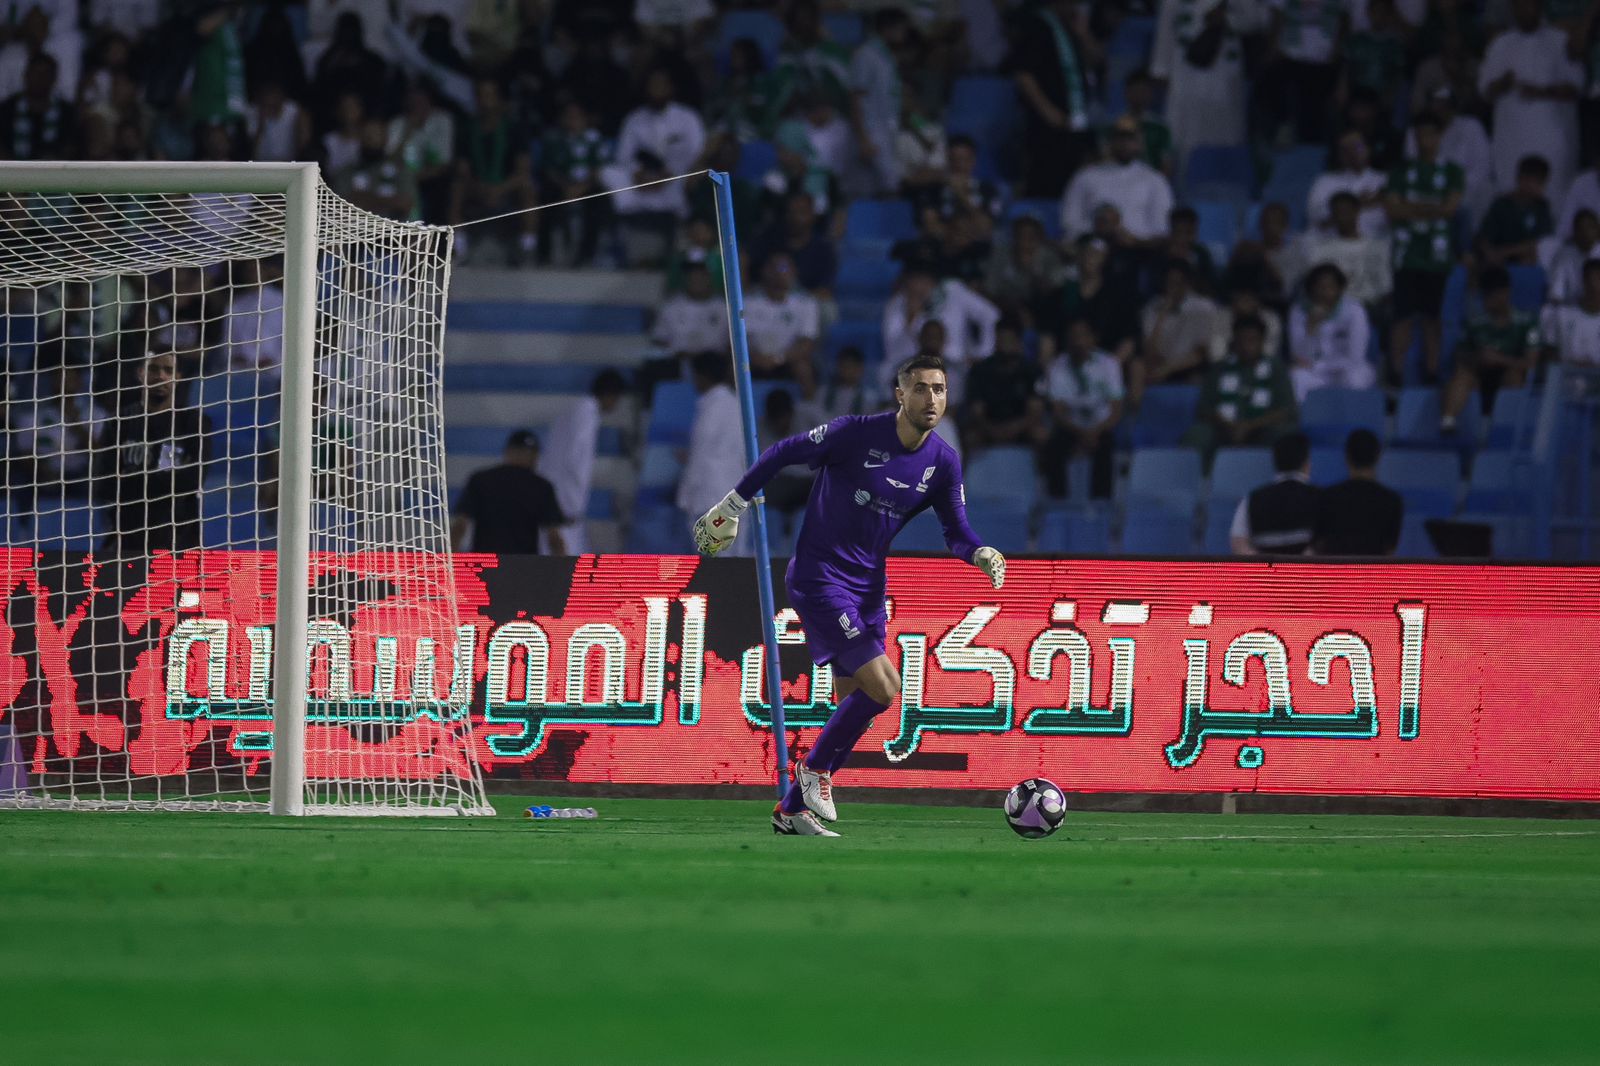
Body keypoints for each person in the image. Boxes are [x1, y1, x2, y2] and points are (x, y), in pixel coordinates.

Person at [690, 354, 1006, 836]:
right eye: (920, 388)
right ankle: (814, 770)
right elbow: (783, 452)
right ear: (900, 394)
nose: (931, 398)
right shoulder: (855, 433)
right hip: (819, 577)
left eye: (939, 389)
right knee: (886, 688)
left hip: (869, 588)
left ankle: (791, 811)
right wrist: (732, 505)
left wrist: (979, 551)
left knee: (855, 702)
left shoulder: (943, 462)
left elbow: (956, 530)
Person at [103, 350, 212, 560]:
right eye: (153, 369)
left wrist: (134, 477)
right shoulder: (119, 422)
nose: (161, 376)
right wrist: (168, 478)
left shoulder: (194, 423)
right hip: (129, 539)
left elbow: (194, 479)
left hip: (179, 541)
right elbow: (106, 484)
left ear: (177, 377)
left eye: (168, 370)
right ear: (141, 373)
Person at [1386, 112, 1464, 385]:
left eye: (1430, 134)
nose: (1424, 140)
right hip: (1406, 255)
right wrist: (1433, 208)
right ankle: (1395, 374)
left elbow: (1450, 209)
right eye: (1419, 135)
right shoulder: (1400, 170)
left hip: (1436, 257)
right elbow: (1393, 210)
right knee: (1402, 316)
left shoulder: (1452, 171)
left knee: (1432, 317)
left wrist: (1411, 208)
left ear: (1439, 137)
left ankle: (1431, 373)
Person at [1479, 0, 1582, 206]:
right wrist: (1503, 84)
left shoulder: (1560, 41)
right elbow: (1484, 91)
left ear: (1540, 7)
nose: (1524, 10)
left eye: (1529, 5)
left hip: (1552, 137)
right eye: (1519, 6)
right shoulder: (1501, 44)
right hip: (1511, 138)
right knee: (1510, 190)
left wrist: (1542, 92)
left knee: (1555, 194)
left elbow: (1576, 87)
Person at [1150, 0, 1264, 174]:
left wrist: (1227, 19)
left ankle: (1225, 182)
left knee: (1226, 133)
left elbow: (1256, 18)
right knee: (1183, 135)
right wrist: (1160, 70)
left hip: (1225, 77)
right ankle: (1181, 181)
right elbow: (1166, 31)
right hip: (1184, 74)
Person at [1013, 0, 1099, 197]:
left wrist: (1084, 35)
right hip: (1048, 126)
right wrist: (1048, 112)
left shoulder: (1071, 29)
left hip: (1077, 120)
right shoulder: (1037, 25)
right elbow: (1024, 75)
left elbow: (1097, 60)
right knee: (1047, 185)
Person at [1442, 265, 1541, 432]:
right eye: (1484, 295)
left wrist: (1499, 360)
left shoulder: (1529, 323)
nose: (1486, 300)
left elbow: (1531, 363)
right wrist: (1479, 358)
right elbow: (1460, 355)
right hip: (1479, 377)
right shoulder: (1474, 322)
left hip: (1509, 376)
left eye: (1491, 295)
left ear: (1505, 293)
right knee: (1462, 375)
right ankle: (1448, 422)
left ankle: (1506, 428)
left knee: (1514, 376)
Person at [1185, 313, 1297, 460]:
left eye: (1252, 340)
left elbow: (1286, 410)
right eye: (1241, 340)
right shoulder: (1219, 368)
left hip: (1262, 430)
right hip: (1224, 430)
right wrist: (1229, 425)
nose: (1246, 346)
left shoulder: (1276, 369)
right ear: (1234, 342)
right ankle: (1194, 473)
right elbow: (1205, 409)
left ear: (1262, 341)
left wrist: (1249, 426)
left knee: (1286, 434)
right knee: (1198, 434)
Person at [539, 370, 626, 556]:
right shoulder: (586, 415)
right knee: (565, 562)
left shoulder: (574, 410)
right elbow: (577, 462)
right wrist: (573, 508)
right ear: (610, 395)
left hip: (555, 500)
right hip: (564, 507)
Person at [1040, 315, 1123, 499]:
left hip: (1101, 427)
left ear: (1093, 338)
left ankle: (1101, 504)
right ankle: (1058, 503)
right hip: (1071, 427)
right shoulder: (1056, 367)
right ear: (1067, 340)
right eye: (1073, 336)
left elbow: (1116, 410)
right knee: (1053, 448)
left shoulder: (1109, 364)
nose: (1078, 341)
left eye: (1083, 335)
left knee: (1106, 448)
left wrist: (1095, 431)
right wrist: (1081, 433)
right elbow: (1058, 412)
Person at [1060, 114, 1175, 243]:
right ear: (1110, 141)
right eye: (1120, 138)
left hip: (1139, 248)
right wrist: (1100, 231)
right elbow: (1070, 222)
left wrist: (1134, 241)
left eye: (1130, 138)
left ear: (1140, 143)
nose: (1125, 144)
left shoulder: (1155, 180)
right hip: (1094, 247)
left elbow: (1162, 228)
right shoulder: (1085, 176)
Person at [450, 430, 566, 555]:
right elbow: (554, 538)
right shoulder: (541, 486)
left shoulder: (481, 480)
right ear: (535, 456)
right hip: (525, 564)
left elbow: (460, 526)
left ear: (508, 452)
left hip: (486, 562)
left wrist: (451, 560)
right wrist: (563, 565)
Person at [677, 352, 748, 554]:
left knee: (715, 563)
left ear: (701, 376)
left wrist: (684, 496)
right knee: (735, 562)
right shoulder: (736, 404)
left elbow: (701, 456)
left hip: (711, 495)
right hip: (737, 491)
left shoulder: (712, 408)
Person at [1288, 262, 1375, 402]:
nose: (1324, 292)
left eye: (1330, 287)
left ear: (1340, 288)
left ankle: (1351, 415)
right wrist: (1311, 327)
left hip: (1345, 369)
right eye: (1319, 287)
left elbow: (1356, 357)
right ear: (1311, 288)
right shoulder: (1298, 311)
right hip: (1316, 373)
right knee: (1297, 377)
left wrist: (1321, 366)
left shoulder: (1355, 311)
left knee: (1357, 377)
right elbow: (1300, 356)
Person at [1313, 429, 1403, 555]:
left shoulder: (1326, 497)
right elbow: (1390, 549)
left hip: (1337, 567)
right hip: (1373, 568)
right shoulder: (1392, 501)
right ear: (1377, 457)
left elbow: (1318, 544)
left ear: (1347, 457)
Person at [962, 317, 1044, 452]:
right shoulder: (980, 370)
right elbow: (977, 412)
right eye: (1001, 340)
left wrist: (1014, 428)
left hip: (1022, 427)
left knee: (1041, 435)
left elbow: (1035, 411)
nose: (1005, 345)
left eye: (1009, 340)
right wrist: (993, 430)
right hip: (989, 427)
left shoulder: (1032, 370)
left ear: (1018, 341)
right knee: (970, 437)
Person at [1229, 431, 1318, 556]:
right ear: (1306, 464)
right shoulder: (1322, 498)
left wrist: (1266, 565)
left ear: (1275, 463)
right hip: (1309, 568)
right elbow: (1326, 544)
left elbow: (1239, 545)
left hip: (1264, 568)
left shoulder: (1252, 499)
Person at [742, 252, 820, 396]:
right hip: (755, 359)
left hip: (788, 360)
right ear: (765, 271)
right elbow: (742, 339)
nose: (780, 273)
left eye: (785, 268)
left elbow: (807, 343)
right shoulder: (749, 302)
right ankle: (732, 405)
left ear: (794, 272)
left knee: (804, 368)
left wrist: (779, 359)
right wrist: (755, 357)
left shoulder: (806, 302)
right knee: (734, 367)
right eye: (775, 268)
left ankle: (811, 406)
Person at [1140, 258, 1221, 390]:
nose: (1172, 288)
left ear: (1187, 283)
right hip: (1158, 366)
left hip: (1190, 368)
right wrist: (1162, 315)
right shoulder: (1152, 307)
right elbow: (1149, 350)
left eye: (1177, 282)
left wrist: (1168, 369)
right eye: (1169, 282)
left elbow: (1201, 353)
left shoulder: (1203, 307)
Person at [1308, 128, 1389, 238]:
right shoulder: (1324, 181)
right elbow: (1317, 220)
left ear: (1368, 148)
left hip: (1375, 243)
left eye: (1357, 147)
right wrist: (1357, 204)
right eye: (1345, 149)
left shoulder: (1384, 180)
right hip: (1333, 243)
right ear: (1339, 154)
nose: (1352, 153)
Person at [1475, 155, 1553, 267]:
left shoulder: (1542, 208)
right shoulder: (1501, 204)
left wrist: (1505, 253)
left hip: (1524, 263)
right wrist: (1490, 254)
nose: (1539, 187)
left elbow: (1541, 243)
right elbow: (1484, 237)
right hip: (1497, 264)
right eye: (1535, 181)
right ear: (1521, 178)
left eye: (1541, 183)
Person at [1542, 259, 1600, 368]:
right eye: (1591, 279)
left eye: (1598, 279)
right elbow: (1549, 350)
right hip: (1566, 374)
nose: (1594, 285)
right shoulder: (1562, 315)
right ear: (1583, 281)